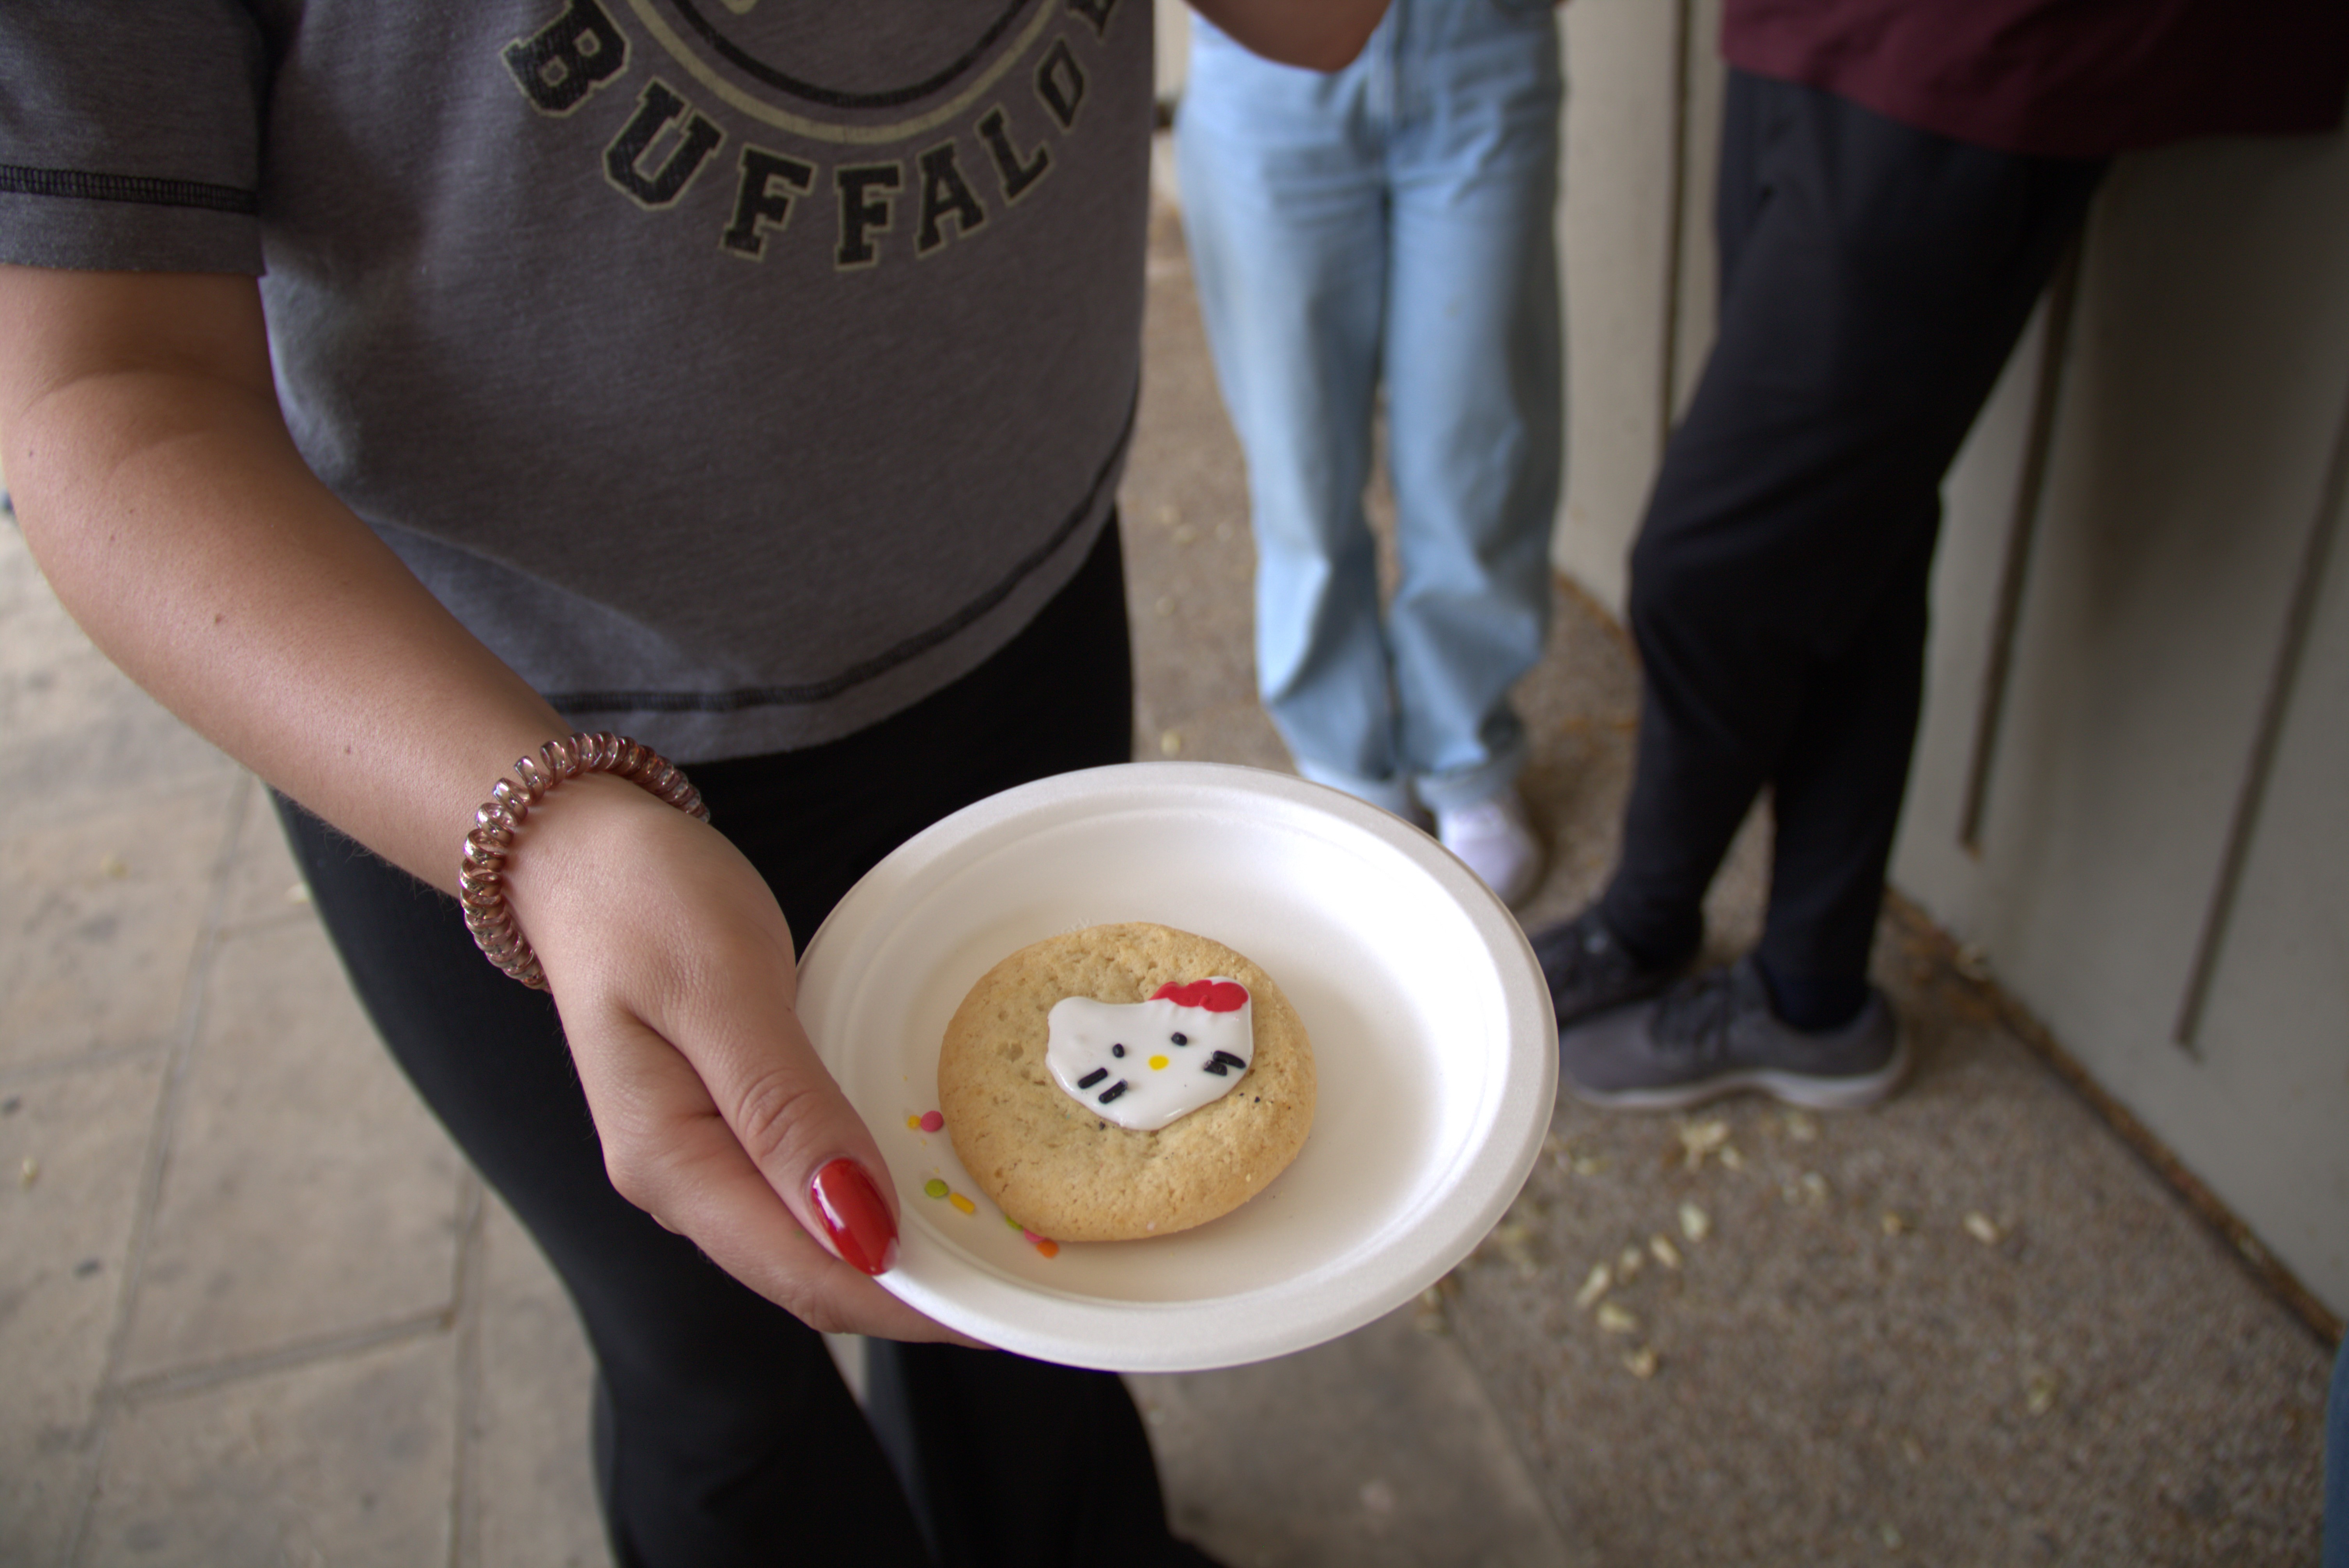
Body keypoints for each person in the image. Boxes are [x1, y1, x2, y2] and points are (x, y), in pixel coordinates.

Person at [0, 4, 1387, 1564]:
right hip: (484, 720)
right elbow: (100, 390)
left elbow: (1325, 24)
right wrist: (547, 831)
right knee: (719, 1380)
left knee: (1041, 1331)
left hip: (1017, 604)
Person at [1533, 0, 2349, 1108]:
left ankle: (1648, 924)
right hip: (1808, 28)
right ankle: (1809, 993)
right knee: (1852, 534)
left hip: (1970, 46)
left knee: (1710, 569)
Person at [1173, 0, 1562, 905]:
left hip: (1483, 44)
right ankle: (1344, 767)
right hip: (1260, 60)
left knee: (1480, 440)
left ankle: (1466, 754)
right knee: (1299, 456)